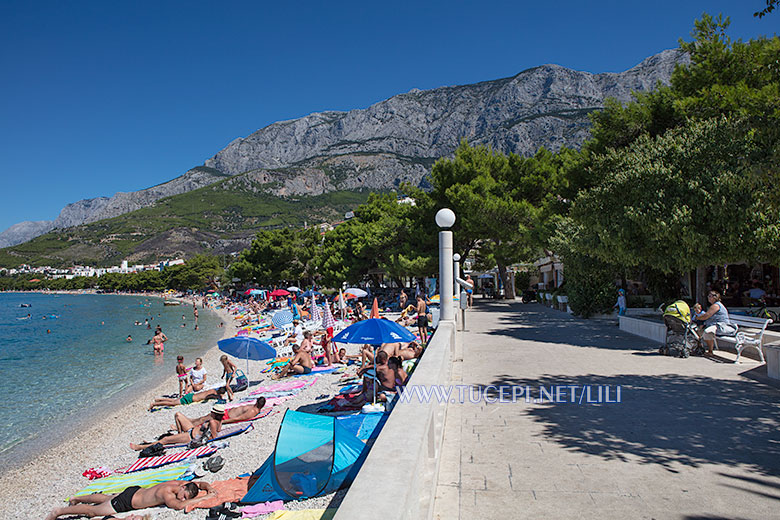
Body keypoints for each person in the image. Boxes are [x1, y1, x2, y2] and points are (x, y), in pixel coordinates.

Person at [45, 480, 215, 520]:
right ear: (183, 489)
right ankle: (59, 511)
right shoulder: (168, 495)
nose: (182, 498)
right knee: (92, 511)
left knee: (106, 498)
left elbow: (199, 483)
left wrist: (207, 488)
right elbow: (178, 507)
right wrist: (207, 497)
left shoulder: (179, 484)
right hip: (128, 502)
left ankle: (76, 498)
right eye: (184, 495)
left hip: (134, 491)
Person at [132, 403, 225, 451]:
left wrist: (200, 439)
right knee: (178, 415)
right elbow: (219, 429)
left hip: (190, 437)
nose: (211, 412)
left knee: (165, 439)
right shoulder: (217, 421)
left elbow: (213, 436)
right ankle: (179, 434)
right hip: (191, 430)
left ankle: (141, 447)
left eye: (213, 412)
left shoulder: (213, 421)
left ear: (215, 413)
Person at [173, 397, 267, 432]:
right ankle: (190, 421)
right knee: (204, 417)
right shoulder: (254, 407)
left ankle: (183, 426)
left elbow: (238, 418)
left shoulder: (252, 411)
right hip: (226, 413)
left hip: (226, 416)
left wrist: (223, 421)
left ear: (258, 403)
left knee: (204, 419)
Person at [693, 289, 732, 356]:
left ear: (714, 297)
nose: (708, 297)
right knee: (698, 331)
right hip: (715, 325)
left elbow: (706, 316)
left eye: (710, 296)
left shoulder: (716, 305)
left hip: (721, 326)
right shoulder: (714, 305)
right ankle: (699, 348)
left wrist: (697, 318)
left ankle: (710, 351)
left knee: (707, 332)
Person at [148, 387, 225, 410]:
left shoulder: (212, 390)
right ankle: (155, 404)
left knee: (174, 401)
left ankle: (159, 400)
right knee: (172, 403)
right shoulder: (213, 395)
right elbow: (218, 397)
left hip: (191, 395)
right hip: (189, 399)